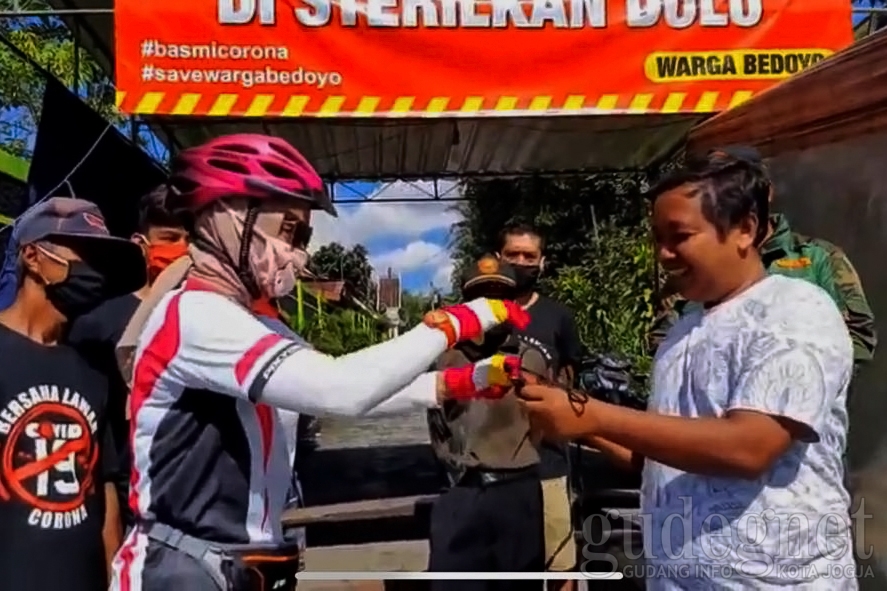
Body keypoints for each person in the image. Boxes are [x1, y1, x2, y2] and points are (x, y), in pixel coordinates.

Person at [109, 133, 531, 591]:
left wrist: (455, 383)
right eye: (288, 230)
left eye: (303, 235)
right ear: (228, 216)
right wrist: (451, 324)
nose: (298, 252)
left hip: (239, 565)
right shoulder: (193, 315)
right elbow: (341, 389)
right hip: (181, 569)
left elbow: (340, 388)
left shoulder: (253, 323)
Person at [520, 153, 857, 588]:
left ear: (745, 229)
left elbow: (750, 448)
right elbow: (659, 459)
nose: (663, 254)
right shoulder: (684, 328)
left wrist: (595, 415)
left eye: (679, 236)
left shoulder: (794, 310)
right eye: (656, 238)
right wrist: (572, 419)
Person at [0, 197, 147, 590]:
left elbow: (104, 492)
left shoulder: (95, 367)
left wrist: (115, 578)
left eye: (102, 263)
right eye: (84, 255)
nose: (94, 273)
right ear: (33, 256)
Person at [649, 146, 876, 371]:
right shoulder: (693, 269)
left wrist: (808, 373)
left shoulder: (818, 258)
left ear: (766, 192)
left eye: (733, 187)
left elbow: (859, 335)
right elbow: (664, 339)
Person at [66, 185, 190, 528]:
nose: (183, 250)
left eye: (191, 241)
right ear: (141, 244)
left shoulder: (210, 318)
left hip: (197, 491)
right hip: (128, 492)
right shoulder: (99, 324)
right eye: (170, 237)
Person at [426, 254, 552, 589]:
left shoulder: (532, 359)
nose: (492, 307)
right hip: (463, 492)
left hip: (518, 493)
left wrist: (513, 456)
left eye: (500, 297)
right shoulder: (445, 358)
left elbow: (542, 425)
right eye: (482, 299)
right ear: (466, 305)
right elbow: (437, 427)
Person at [497, 223, 583, 584]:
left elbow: (570, 378)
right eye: (512, 254)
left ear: (542, 263)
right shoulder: (476, 316)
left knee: (560, 564)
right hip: (494, 468)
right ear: (498, 258)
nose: (520, 262)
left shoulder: (558, 316)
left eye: (529, 256)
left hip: (547, 463)